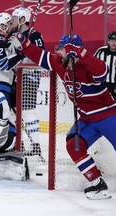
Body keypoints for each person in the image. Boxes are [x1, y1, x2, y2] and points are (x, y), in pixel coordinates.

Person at [8, 32, 115, 199]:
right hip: (87, 119)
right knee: (74, 145)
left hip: (108, 116)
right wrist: (24, 42)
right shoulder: (59, 62)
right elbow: (40, 56)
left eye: (62, 49)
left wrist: (81, 53)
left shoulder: (87, 65)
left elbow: (102, 72)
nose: (58, 52)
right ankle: (97, 184)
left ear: (73, 50)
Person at [10, 7, 45, 157]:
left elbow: (40, 56)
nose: (13, 22)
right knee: (14, 111)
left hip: (30, 77)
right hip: (17, 77)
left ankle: (36, 145)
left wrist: (26, 51)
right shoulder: (14, 35)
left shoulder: (34, 35)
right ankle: (20, 142)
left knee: (28, 111)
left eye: (16, 19)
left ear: (23, 19)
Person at [94, 31, 116, 100]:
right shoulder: (101, 51)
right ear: (108, 41)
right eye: (112, 40)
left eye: (115, 40)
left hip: (114, 85)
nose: (114, 43)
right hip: (101, 84)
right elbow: (92, 65)